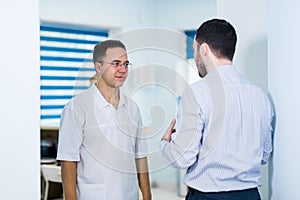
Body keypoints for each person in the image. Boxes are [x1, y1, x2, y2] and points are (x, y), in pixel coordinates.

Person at [160, 19, 274, 200]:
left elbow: (183, 158)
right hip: (251, 196)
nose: (196, 57)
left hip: (208, 197)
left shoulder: (197, 93)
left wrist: (165, 144)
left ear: (204, 49)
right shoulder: (260, 96)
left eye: (195, 50)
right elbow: (264, 155)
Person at [57, 40, 151, 200]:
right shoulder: (77, 108)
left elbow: (140, 155)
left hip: (129, 194)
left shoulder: (132, 108)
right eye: (116, 63)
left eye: (126, 64)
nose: (123, 69)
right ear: (98, 67)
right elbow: (68, 162)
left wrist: (147, 195)